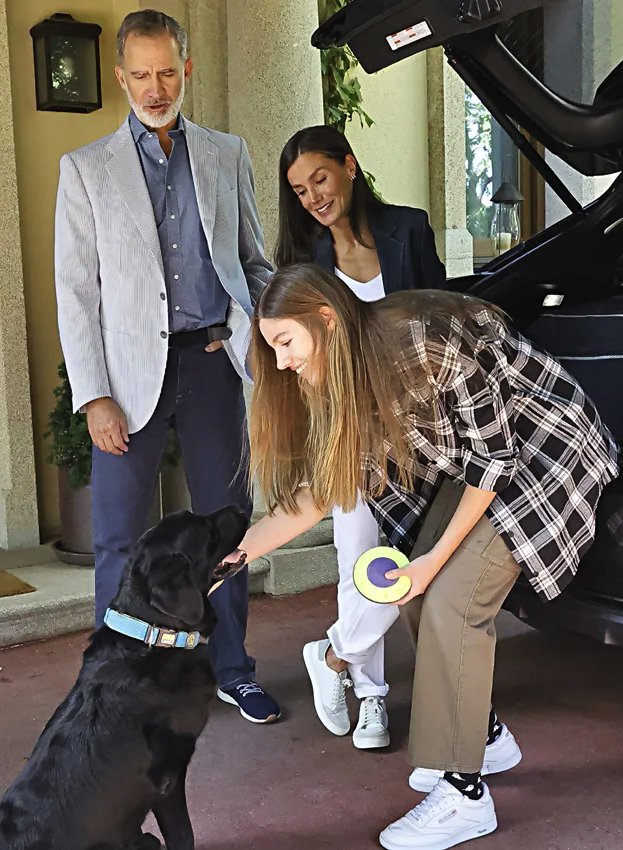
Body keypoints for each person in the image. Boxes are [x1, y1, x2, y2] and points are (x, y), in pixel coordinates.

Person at [220, 263, 619, 849]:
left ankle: (465, 797)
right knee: (407, 585)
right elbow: (321, 492)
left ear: (325, 320)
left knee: (453, 601)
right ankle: (482, 737)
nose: (280, 362)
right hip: (481, 467)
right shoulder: (337, 376)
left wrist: (434, 563)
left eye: (285, 342)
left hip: (546, 454)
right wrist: (235, 555)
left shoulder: (425, 345)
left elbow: (493, 464)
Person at [54, 9, 279, 724]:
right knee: (119, 534)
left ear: (188, 70)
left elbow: (253, 261)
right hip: (125, 379)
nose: (155, 89)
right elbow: (77, 291)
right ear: (121, 77)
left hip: (214, 365)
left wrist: (260, 337)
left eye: (166, 72)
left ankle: (231, 667)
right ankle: (116, 685)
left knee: (229, 530)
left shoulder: (225, 154)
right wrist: (93, 396)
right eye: (141, 75)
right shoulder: (85, 169)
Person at [275, 125, 446, 749]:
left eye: (320, 178)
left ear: (349, 165)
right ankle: (372, 698)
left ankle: (333, 657)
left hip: (420, 429)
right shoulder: (306, 265)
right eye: (300, 190)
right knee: (359, 562)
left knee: (402, 561)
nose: (313, 197)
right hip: (346, 429)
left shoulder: (410, 229)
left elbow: (441, 313)